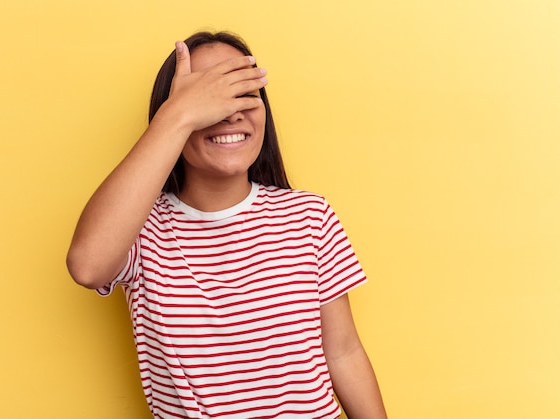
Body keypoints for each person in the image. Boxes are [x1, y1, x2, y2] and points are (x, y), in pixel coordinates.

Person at [67, 31, 387, 419]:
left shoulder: (309, 216)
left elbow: (344, 351)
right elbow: (87, 265)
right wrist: (180, 115)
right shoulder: (140, 232)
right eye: (208, 95)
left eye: (243, 93)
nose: (230, 111)